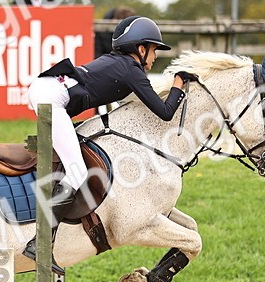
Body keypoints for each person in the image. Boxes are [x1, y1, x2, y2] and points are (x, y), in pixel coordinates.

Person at [23, 16, 187, 268]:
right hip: (51, 96)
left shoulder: (120, 64)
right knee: (77, 172)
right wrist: (178, 85)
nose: (154, 58)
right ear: (141, 49)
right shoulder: (131, 69)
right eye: (154, 50)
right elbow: (165, 112)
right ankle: (40, 243)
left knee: (73, 159)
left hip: (48, 89)